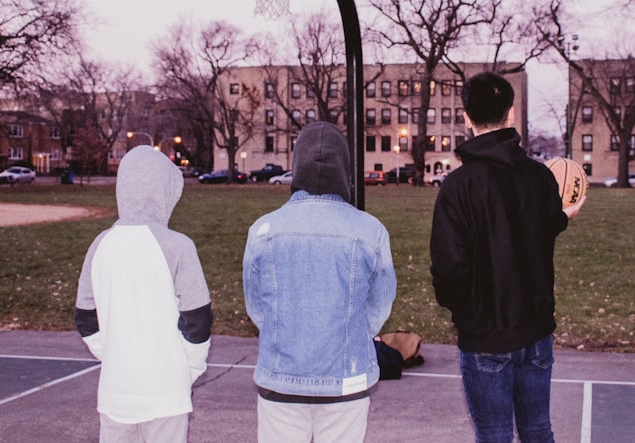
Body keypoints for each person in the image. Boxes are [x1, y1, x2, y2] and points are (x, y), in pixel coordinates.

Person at [430, 72, 581, 443]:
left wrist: (467, 316)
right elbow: (541, 229)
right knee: (538, 431)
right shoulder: (540, 177)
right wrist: (564, 216)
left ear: (466, 117)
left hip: (487, 336)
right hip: (536, 331)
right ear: (510, 115)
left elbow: (449, 269)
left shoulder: (457, 187)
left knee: (495, 436)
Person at [243, 121, 397, 443]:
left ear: (296, 165)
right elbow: (379, 306)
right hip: (345, 378)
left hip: (281, 378)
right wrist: (348, 335)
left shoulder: (264, 230)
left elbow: (257, 308)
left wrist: (287, 335)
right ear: (345, 169)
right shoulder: (369, 231)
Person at [75, 145, 212, 442]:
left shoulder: (101, 244)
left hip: (115, 391)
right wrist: (188, 367)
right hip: (166, 392)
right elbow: (198, 319)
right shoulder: (178, 246)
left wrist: (112, 352)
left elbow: (85, 316)